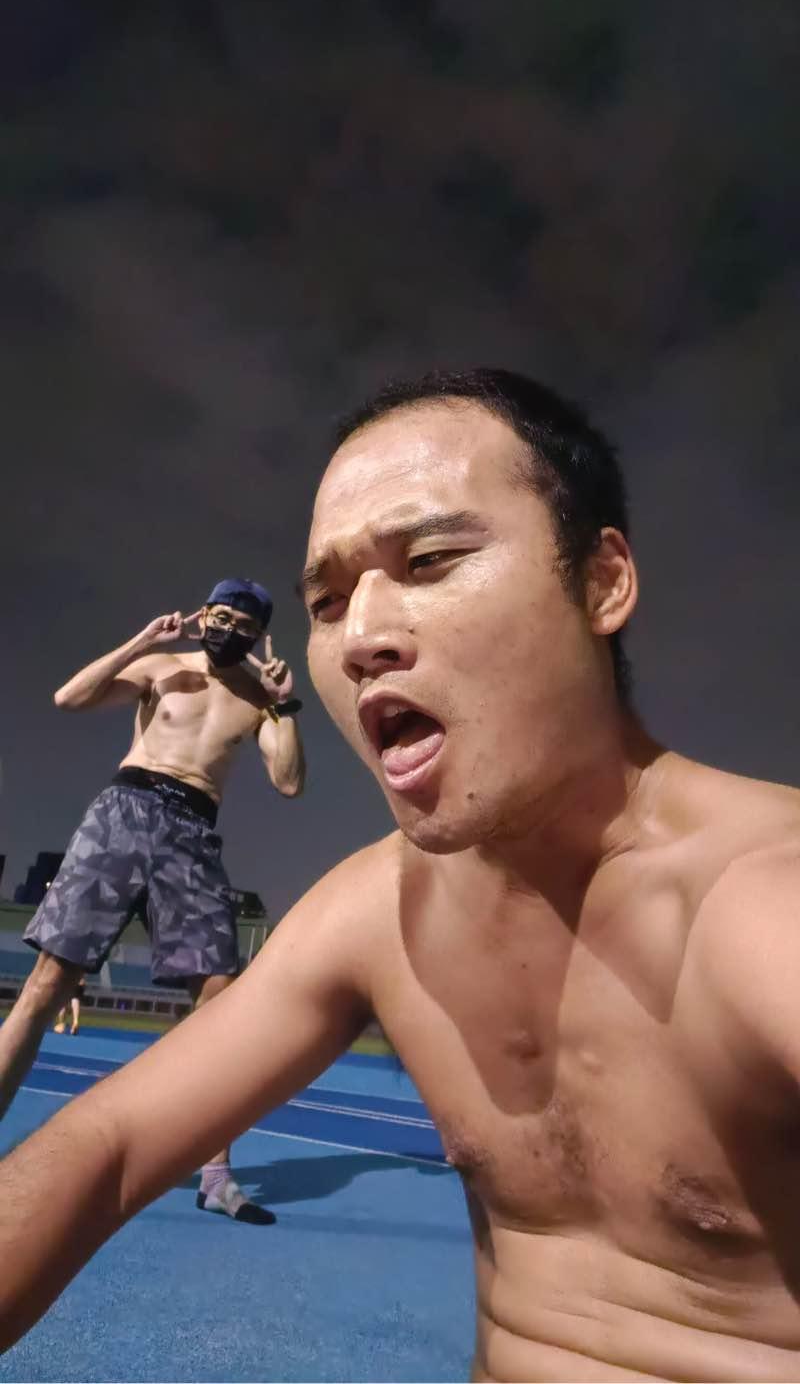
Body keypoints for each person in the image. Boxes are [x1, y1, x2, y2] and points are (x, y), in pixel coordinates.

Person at [2, 369, 800, 1381]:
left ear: (601, 582)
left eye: (429, 561)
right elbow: (106, 1143)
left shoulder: (764, 898)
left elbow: (286, 775)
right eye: (327, 603)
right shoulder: (374, 911)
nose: (360, 640)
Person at [0, 576, 304, 1227]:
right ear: (203, 614)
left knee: (221, 1000)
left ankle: (214, 1175)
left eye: (243, 624)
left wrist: (286, 705)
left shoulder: (258, 700)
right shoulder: (163, 667)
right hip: (126, 809)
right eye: (220, 615)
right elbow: (69, 697)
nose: (228, 628)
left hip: (194, 829)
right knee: (47, 985)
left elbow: (288, 782)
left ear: (258, 636)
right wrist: (141, 641)